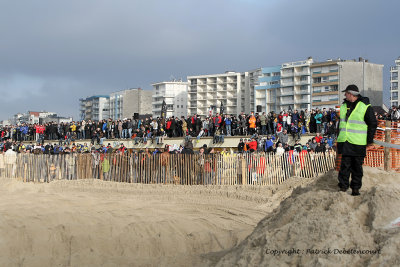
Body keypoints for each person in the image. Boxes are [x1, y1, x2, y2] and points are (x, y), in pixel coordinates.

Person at [337, 84, 377, 196]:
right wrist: (339, 139)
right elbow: (341, 124)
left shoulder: (365, 106)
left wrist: (369, 141)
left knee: (357, 168)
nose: (344, 95)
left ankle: (355, 189)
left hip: (358, 142)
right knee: (344, 166)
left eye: (346, 93)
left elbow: (372, 123)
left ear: (351, 94)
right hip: (345, 141)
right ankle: (343, 188)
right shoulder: (344, 105)